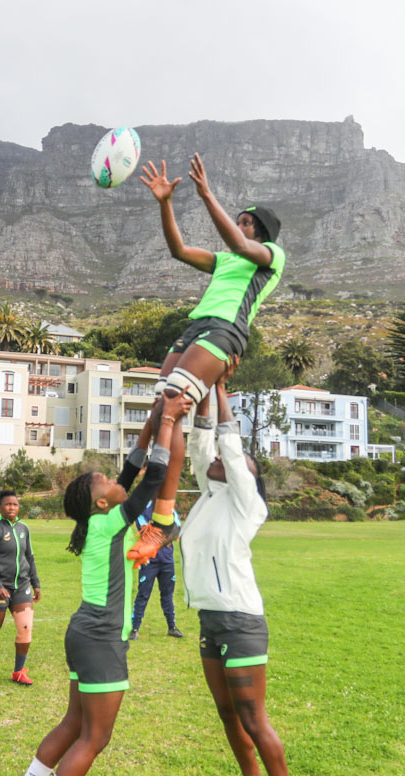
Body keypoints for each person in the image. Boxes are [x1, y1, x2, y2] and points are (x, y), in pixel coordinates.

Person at [1, 392, 192, 776]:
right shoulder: (108, 524)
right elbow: (152, 480)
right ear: (103, 502)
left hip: (85, 634)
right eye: (105, 482)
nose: (113, 479)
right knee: (95, 737)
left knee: (74, 724)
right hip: (102, 637)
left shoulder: (101, 519)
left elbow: (129, 473)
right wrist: (170, 423)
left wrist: (149, 425)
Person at [129, 154, 286, 563]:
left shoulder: (270, 256)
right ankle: (126, 483)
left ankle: (163, 521)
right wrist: (165, 202)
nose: (240, 225)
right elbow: (179, 249)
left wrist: (205, 194)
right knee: (161, 402)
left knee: (176, 402)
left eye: (246, 220)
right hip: (196, 327)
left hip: (224, 332)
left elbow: (238, 242)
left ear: (262, 230)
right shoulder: (226, 262)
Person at [182, 381, 295, 776]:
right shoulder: (212, 495)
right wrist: (204, 392)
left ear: (246, 475)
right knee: (227, 712)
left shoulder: (247, 504)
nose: (219, 461)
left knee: (253, 717)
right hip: (210, 619)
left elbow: (229, 450)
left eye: (234, 462)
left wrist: (222, 386)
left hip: (240, 620)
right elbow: (201, 445)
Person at [0, 490, 41, 686]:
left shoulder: (24, 528)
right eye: (7, 504)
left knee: (25, 627)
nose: (12, 508)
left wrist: (36, 583)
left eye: (15, 504)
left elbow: (29, 557)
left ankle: (18, 671)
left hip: (21, 586)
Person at [129, 532, 182, 641]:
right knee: (143, 594)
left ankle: (172, 627)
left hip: (167, 561)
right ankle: (135, 628)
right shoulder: (144, 514)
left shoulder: (172, 515)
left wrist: (157, 539)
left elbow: (175, 532)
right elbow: (146, 533)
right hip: (148, 561)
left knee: (168, 595)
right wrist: (163, 537)